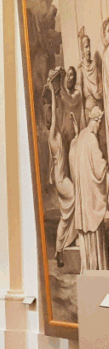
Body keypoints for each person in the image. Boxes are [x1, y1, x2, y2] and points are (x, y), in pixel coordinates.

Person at [69, 106, 109, 271]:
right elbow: (100, 170)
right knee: (96, 242)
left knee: (88, 244)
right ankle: (96, 270)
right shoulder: (91, 139)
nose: (100, 127)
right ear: (97, 121)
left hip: (84, 201)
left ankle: (90, 269)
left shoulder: (82, 136)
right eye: (100, 123)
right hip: (91, 200)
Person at [45, 71, 77, 267]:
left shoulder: (56, 135)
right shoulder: (52, 135)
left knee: (65, 216)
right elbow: (56, 112)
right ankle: (62, 247)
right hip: (60, 178)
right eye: (52, 118)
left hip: (61, 176)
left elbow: (59, 114)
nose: (54, 119)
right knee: (74, 199)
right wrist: (51, 91)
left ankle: (60, 250)